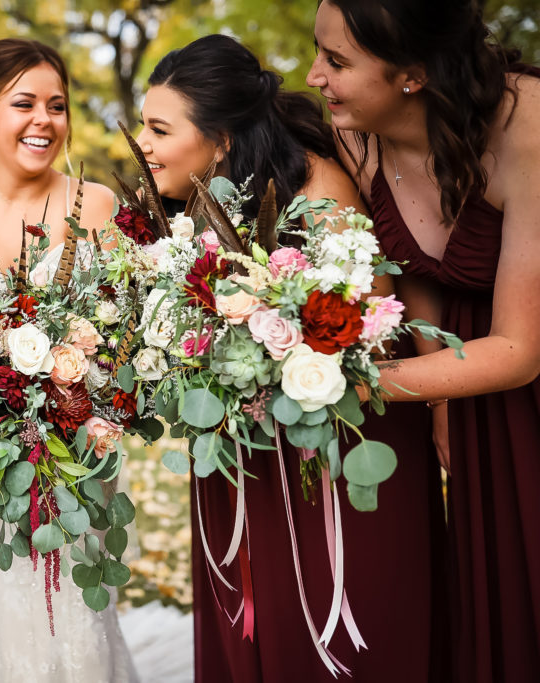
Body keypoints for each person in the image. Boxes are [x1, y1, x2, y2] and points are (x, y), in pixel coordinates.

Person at [137, 34, 448, 681]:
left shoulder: (317, 186)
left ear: (221, 138)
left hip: (337, 451)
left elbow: (369, 326)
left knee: (345, 630)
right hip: (247, 452)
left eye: (159, 128)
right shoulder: (195, 199)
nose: (143, 143)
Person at [307, 2, 540, 680]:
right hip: (468, 380)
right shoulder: (358, 132)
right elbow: (418, 268)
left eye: (339, 62)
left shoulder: (527, 128)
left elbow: (522, 349)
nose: (316, 77)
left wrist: (357, 383)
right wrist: (437, 393)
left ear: (412, 76)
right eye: (318, 53)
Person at [0, 38, 139, 683]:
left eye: (57, 105)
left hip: (78, 456)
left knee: (74, 607)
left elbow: (125, 333)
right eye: (24, 103)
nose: (43, 120)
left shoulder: (97, 205)